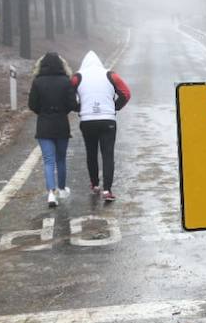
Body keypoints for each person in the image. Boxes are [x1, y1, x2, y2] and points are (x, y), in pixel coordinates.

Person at [71, 50, 131, 203]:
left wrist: (79, 108)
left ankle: (95, 185)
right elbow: (126, 93)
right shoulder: (111, 75)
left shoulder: (77, 77)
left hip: (87, 120)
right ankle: (107, 190)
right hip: (107, 119)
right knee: (108, 154)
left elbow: (67, 96)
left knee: (91, 152)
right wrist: (115, 107)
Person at [28, 51, 77, 207]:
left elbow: (32, 104)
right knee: (61, 159)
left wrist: (43, 113)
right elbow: (72, 104)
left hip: (44, 125)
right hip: (61, 124)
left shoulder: (37, 82)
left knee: (48, 160)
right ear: (61, 65)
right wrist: (61, 112)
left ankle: (51, 193)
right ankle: (62, 189)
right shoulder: (65, 81)